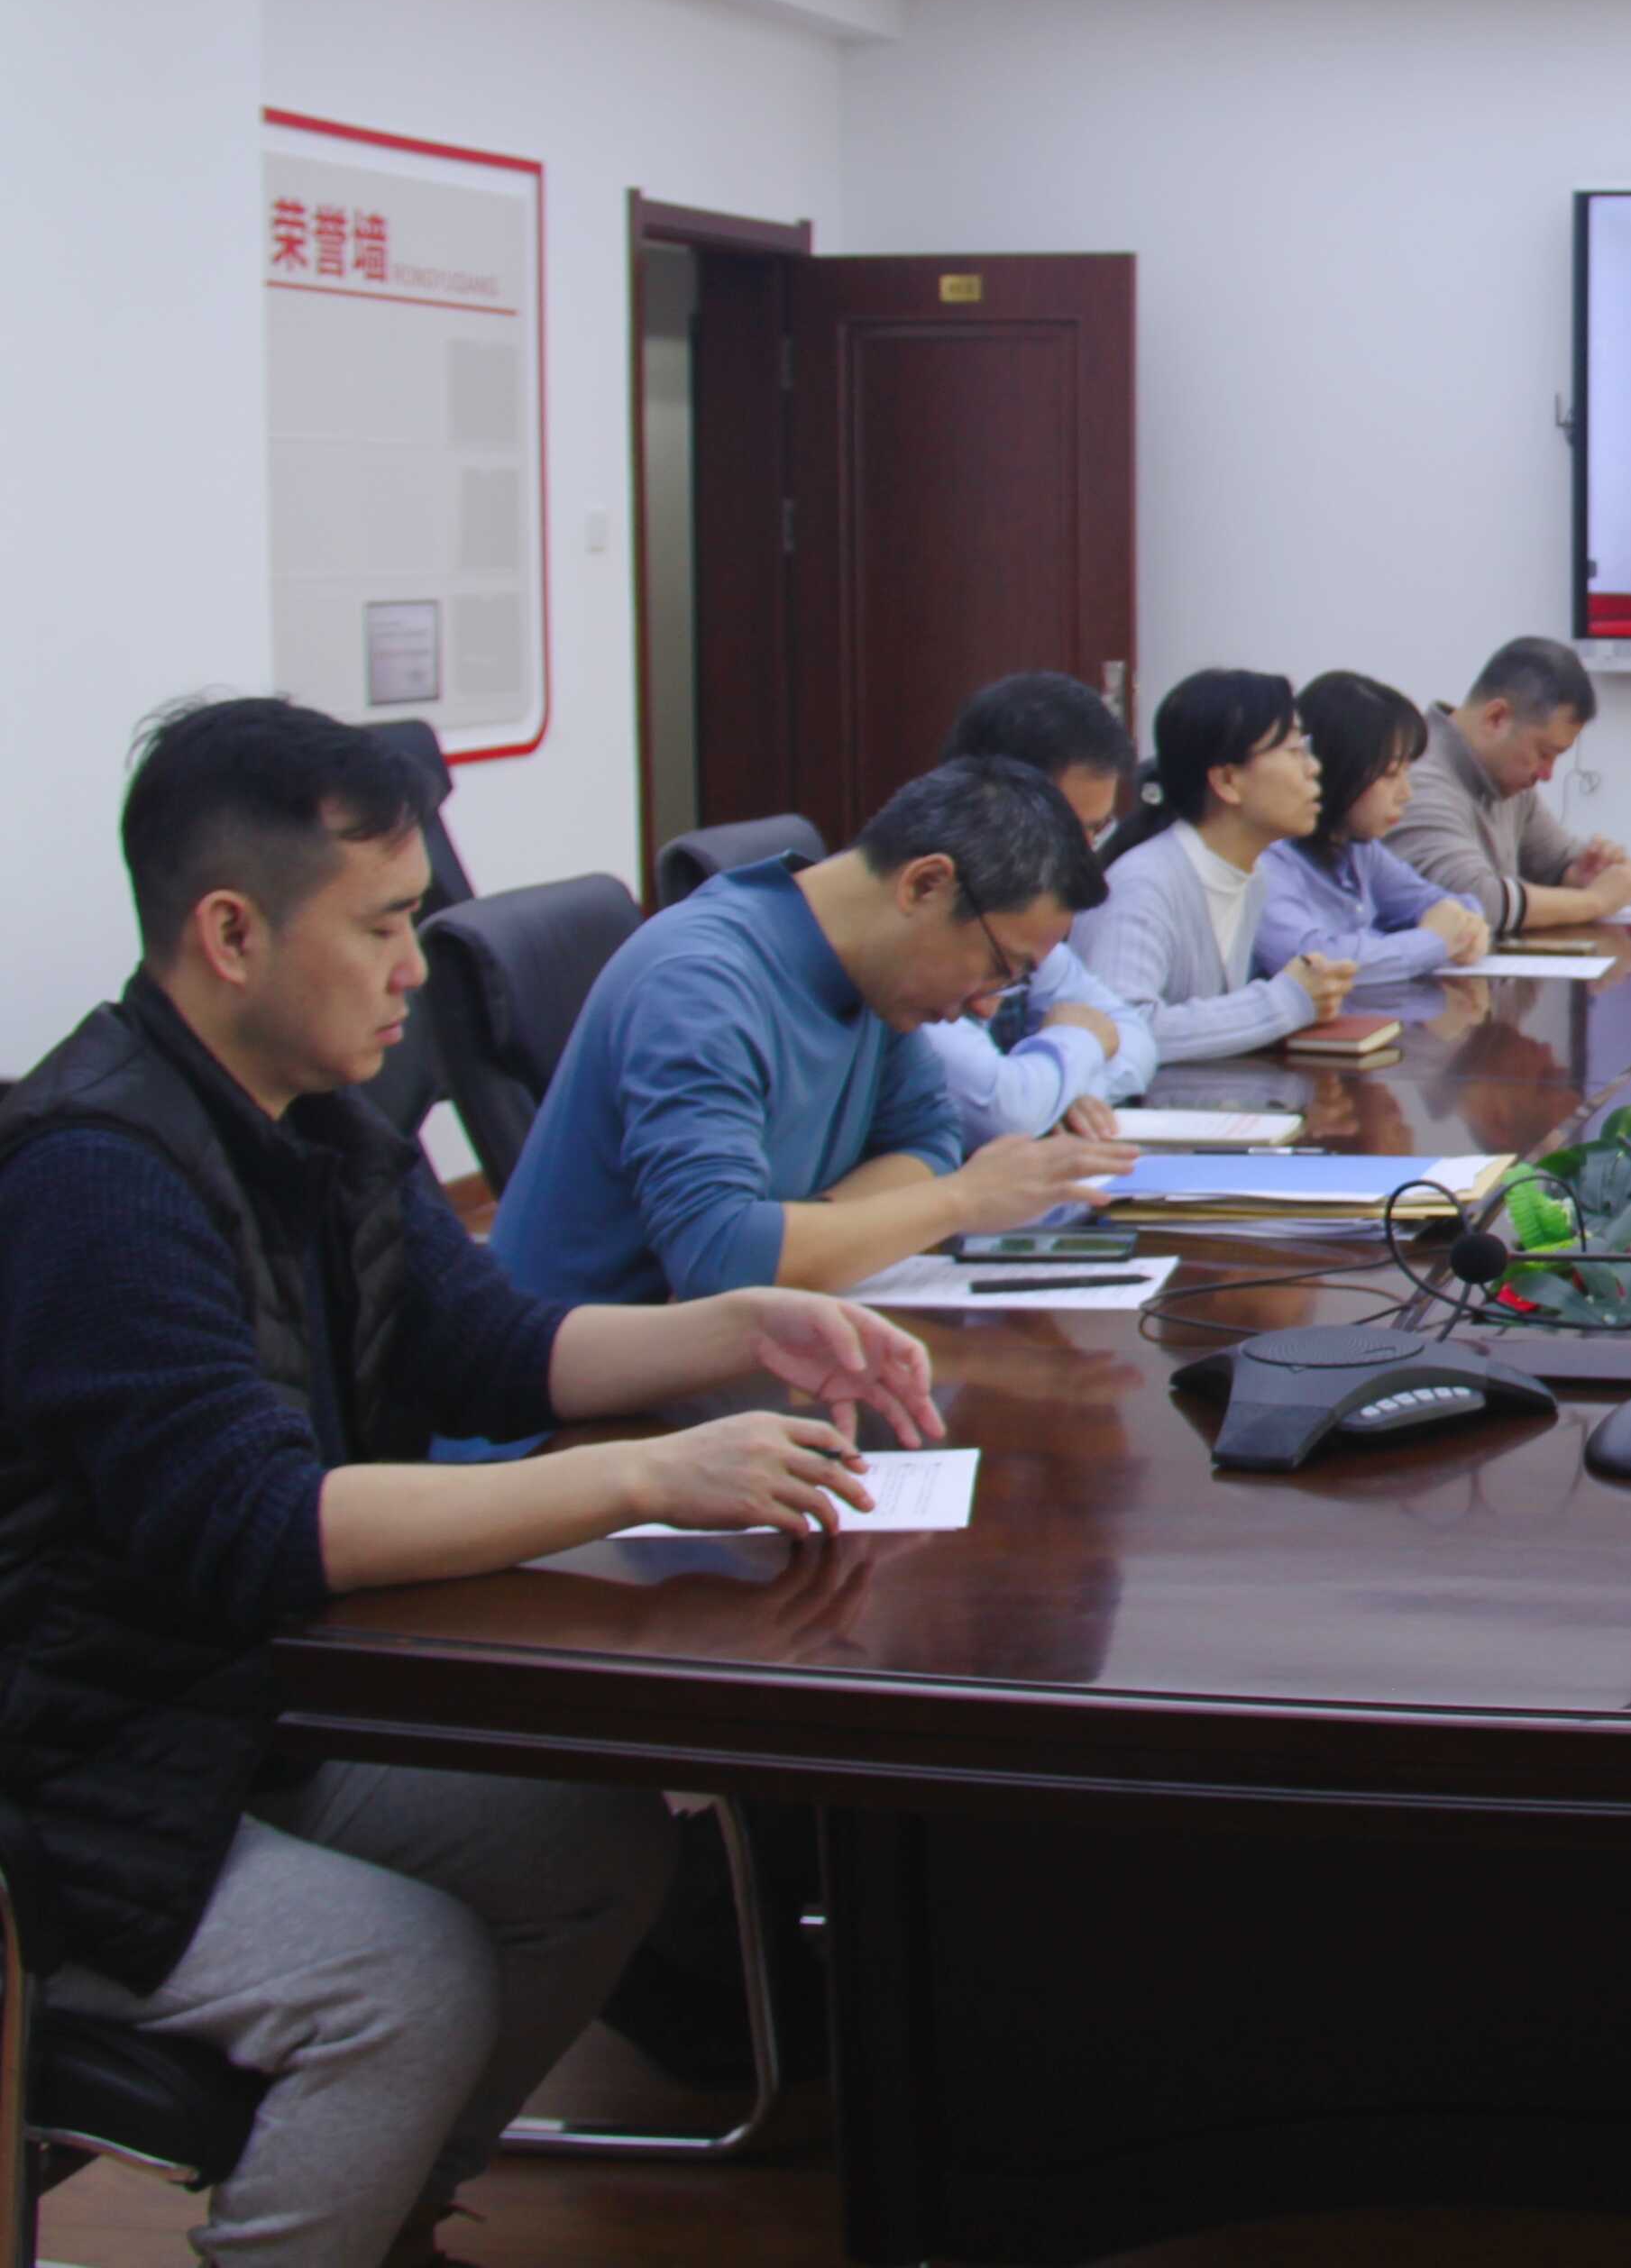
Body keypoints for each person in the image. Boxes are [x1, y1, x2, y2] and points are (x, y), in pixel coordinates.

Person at [0, 698, 954, 2267]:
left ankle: (382, 2220)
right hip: (78, 1775)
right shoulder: (96, 1174)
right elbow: (263, 1523)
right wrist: (651, 1475)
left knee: (591, 1851)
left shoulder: (318, 1126)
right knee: (407, 1974)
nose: (412, 970)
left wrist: (739, 1327)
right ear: (231, 934)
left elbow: (491, 1345)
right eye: (381, 926)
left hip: (237, 1711)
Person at [489, 757, 1132, 1303]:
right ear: (925, 885)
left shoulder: (877, 973)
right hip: (581, 1389)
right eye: (998, 967)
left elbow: (926, 1140)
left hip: (736, 1352)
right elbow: (717, 1260)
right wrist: (962, 1201)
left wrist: (802, 1240)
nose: (986, 1008)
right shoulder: (700, 982)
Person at [1071, 669, 1364, 1063]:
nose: (1313, 768)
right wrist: (1287, 1001)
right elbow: (1118, 1032)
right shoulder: (1144, 884)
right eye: (1294, 750)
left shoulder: (1251, 877)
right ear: (1227, 780)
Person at [921, 671, 1159, 1141]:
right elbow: (1003, 1112)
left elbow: (1135, 1039)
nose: (1085, 855)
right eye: (1072, 830)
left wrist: (1062, 1093)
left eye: (1097, 830)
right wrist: (1079, 1040)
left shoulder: (1026, 920)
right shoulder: (927, 919)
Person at [1384, 636, 1631, 935]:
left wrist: (1582, 875)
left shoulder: (1506, 779)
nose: (1547, 774)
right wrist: (1596, 901)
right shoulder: (1416, 778)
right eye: (1544, 753)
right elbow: (1473, 900)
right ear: (1496, 718)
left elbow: (1557, 860)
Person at [1260, 670, 1493, 984]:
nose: (1406, 793)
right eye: (1390, 774)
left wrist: (1466, 925)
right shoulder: (1269, 858)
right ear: (1336, 769)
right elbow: (1314, 961)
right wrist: (1435, 941)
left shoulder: (1358, 849)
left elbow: (1443, 903)